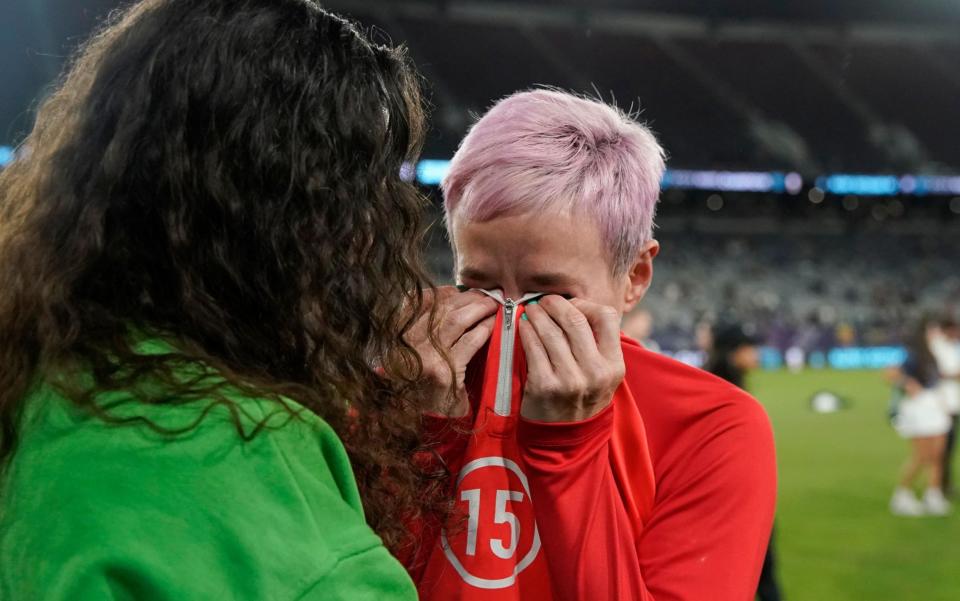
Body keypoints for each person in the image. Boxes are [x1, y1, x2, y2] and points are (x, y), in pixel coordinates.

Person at [0, 1, 442, 598]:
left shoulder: (43, 377)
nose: (373, 235)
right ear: (291, 221)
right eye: (361, 197)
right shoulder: (249, 452)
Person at [408, 90, 777, 600]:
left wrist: (570, 452)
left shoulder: (712, 426)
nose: (512, 314)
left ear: (635, 276)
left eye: (551, 293)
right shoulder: (410, 386)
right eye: (480, 286)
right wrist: (422, 437)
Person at [705, 323, 783, 601]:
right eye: (750, 348)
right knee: (760, 570)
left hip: (733, 494)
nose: (756, 354)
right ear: (733, 352)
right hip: (732, 497)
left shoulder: (718, 382)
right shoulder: (720, 388)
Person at [889, 318, 951, 516]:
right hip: (919, 407)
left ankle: (932, 495)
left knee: (938, 455)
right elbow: (890, 373)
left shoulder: (934, 352)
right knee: (922, 455)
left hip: (935, 405)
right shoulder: (913, 354)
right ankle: (901, 494)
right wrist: (908, 384)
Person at [929, 317, 960, 496]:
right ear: (947, 330)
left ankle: (944, 484)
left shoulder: (952, 347)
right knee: (941, 449)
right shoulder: (936, 346)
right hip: (942, 405)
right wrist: (953, 375)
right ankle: (938, 486)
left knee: (950, 447)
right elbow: (932, 373)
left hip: (954, 404)